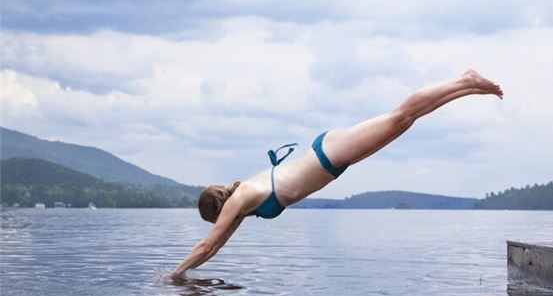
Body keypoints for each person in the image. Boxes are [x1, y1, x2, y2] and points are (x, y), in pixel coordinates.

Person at [171, 69, 503, 278]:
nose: (219, 226)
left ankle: (465, 81)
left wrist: (171, 276)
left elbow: (206, 245)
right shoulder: (242, 204)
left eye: (215, 221)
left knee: (400, 116)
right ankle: (468, 88)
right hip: (332, 162)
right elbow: (216, 246)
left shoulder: (240, 198)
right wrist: (184, 275)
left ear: (217, 210)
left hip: (327, 155)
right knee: (404, 121)